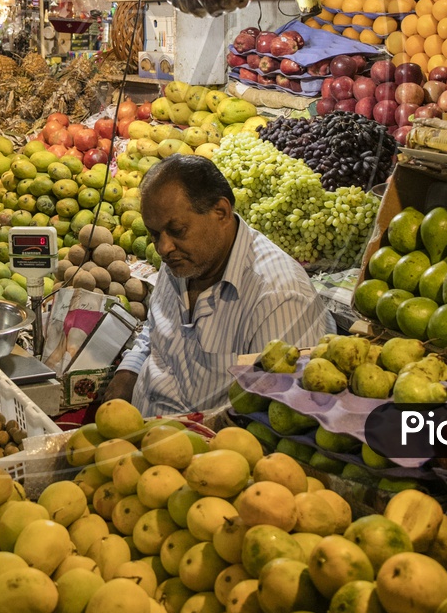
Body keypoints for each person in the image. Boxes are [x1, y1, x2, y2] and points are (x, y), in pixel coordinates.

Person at [104, 153, 327, 416]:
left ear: (220, 212)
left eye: (177, 230)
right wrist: (128, 372)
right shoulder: (183, 259)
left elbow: (275, 417)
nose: (163, 248)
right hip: (140, 432)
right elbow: (155, 329)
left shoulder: (279, 298)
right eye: (154, 234)